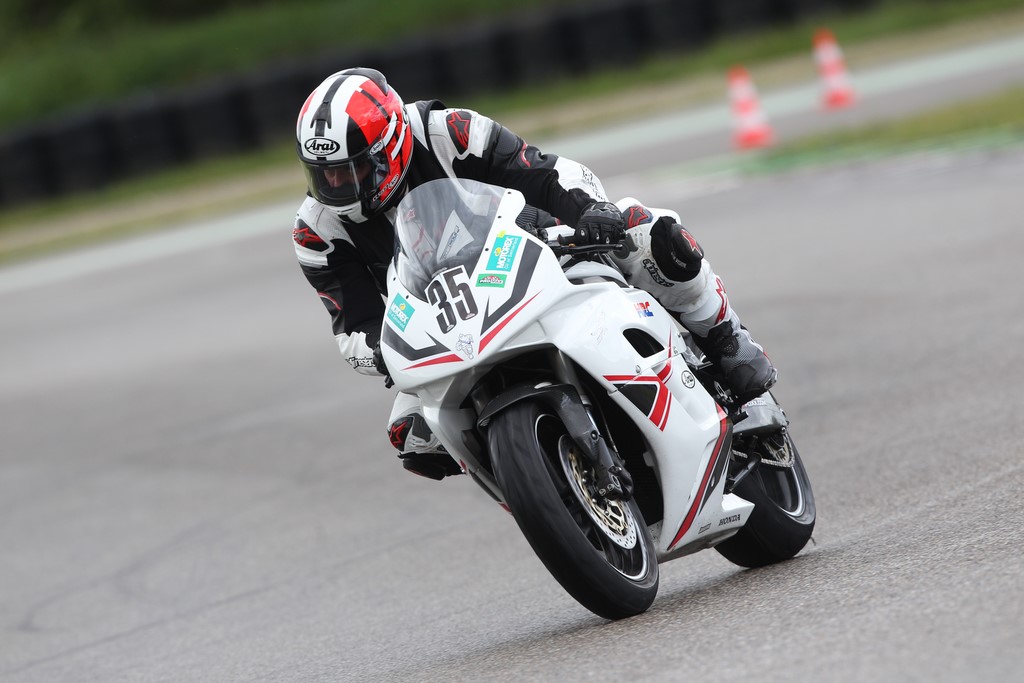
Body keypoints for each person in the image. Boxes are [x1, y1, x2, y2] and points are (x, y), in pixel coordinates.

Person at [293, 68, 776, 480]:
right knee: (413, 435)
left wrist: (591, 210)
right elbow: (354, 325)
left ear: (392, 144)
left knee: (649, 234)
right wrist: (381, 350)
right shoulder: (316, 231)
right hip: (446, 320)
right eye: (324, 173)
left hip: (534, 250)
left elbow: (543, 171)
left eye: (352, 170)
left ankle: (725, 338)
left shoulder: (449, 132)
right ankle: (540, 480)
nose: (337, 185)